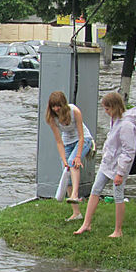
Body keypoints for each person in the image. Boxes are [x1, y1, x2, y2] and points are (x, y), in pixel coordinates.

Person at [74, 92, 136, 238]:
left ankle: (118, 230)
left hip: (119, 167)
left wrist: (120, 173)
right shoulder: (115, 120)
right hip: (107, 163)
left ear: (115, 107)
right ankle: (86, 223)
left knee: (118, 195)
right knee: (95, 189)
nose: (106, 112)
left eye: (107, 109)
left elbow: (128, 152)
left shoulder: (126, 125)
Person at [45, 90, 94, 222]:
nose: (56, 109)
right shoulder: (51, 118)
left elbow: (82, 135)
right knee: (67, 171)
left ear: (63, 104)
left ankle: (75, 194)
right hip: (67, 143)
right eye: (53, 106)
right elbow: (59, 141)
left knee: (73, 162)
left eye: (58, 106)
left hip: (83, 140)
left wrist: (78, 156)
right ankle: (76, 213)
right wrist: (63, 159)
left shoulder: (74, 111)